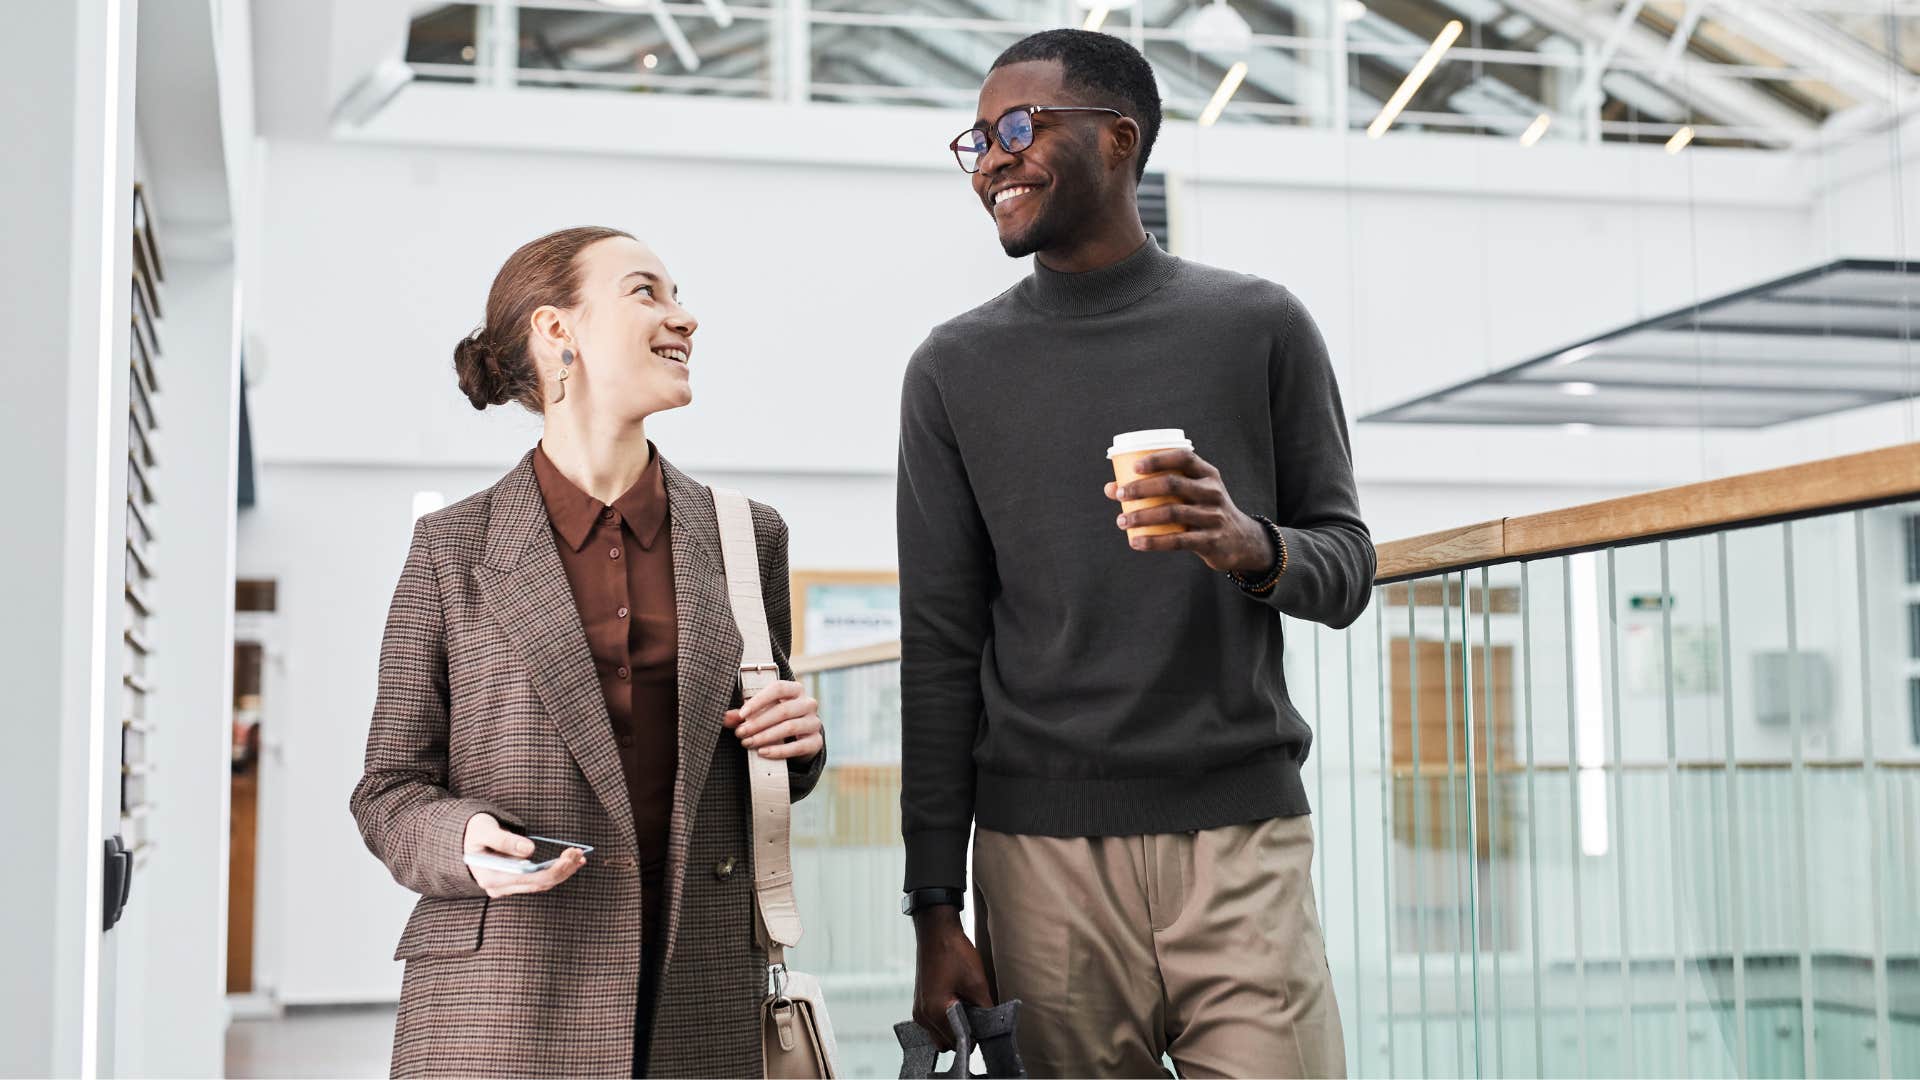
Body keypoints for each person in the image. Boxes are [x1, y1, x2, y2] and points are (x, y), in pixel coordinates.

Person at [896, 30, 1373, 1079]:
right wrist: (935, 905)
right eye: (976, 139)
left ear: (1119, 139)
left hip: (1242, 840)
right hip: (1039, 863)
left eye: (1019, 128)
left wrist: (1252, 546)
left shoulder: (1259, 326)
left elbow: (1347, 564)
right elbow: (937, 646)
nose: (990, 160)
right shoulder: (952, 368)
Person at [350, 226, 826, 1078]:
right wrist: (461, 839)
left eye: (677, 295)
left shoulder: (748, 536)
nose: (684, 317)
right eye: (647, 291)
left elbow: (762, 758)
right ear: (554, 330)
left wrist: (798, 743)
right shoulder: (450, 547)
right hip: (504, 1002)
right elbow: (387, 790)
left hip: (701, 990)